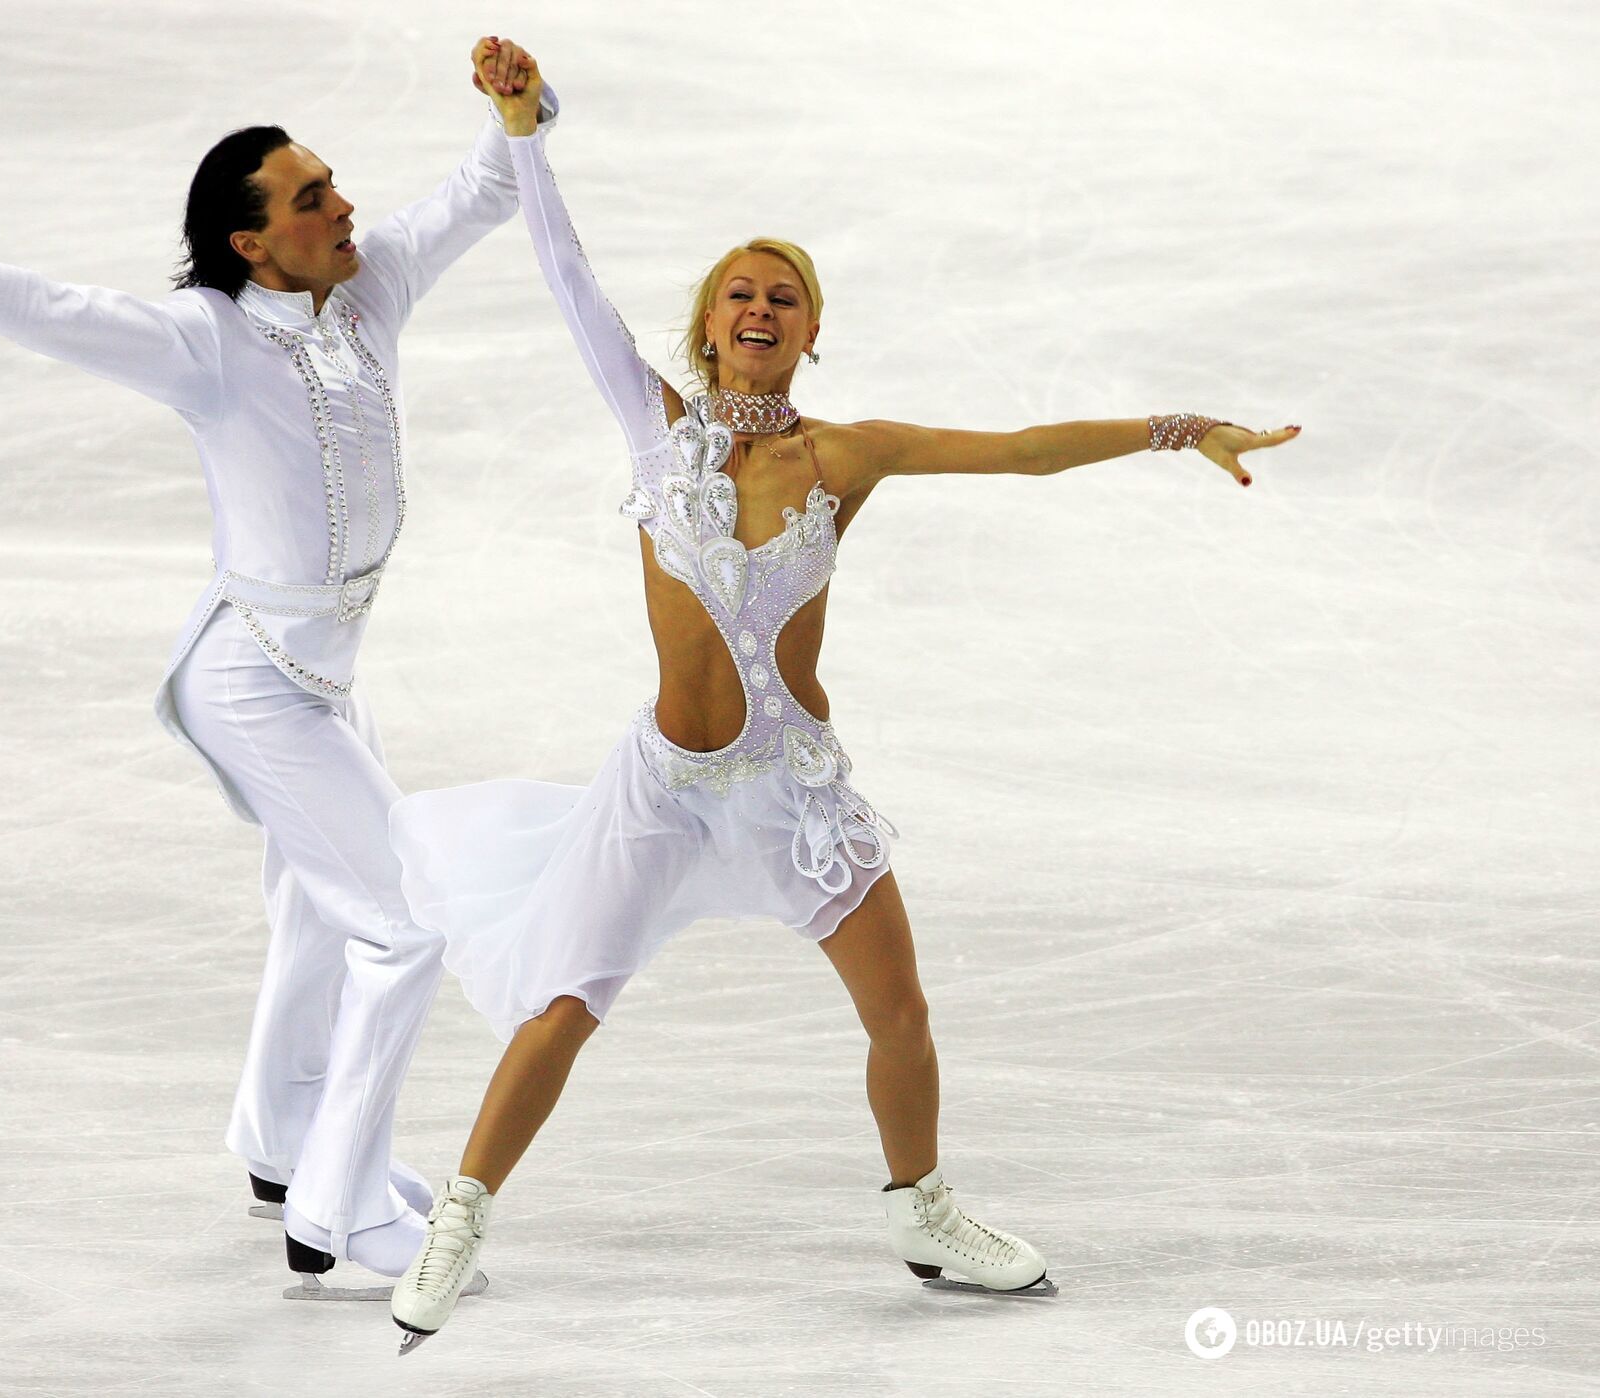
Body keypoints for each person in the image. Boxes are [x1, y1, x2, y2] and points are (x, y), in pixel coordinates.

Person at [385, 54, 1302, 1350]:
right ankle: (460, 1217)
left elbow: (1022, 452)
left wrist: (1176, 426)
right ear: (707, 325)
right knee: (565, 1003)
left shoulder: (845, 455)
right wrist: (520, 129)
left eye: (788, 295)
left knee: (901, 1010)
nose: (763, 305)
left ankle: (922, 1208)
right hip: (662, 790)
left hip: (791, 789)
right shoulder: (654, 430)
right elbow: (565, 272)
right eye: (742, 292)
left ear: (813, 330)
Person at [0, 37, 558, 1298]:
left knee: (319, 903)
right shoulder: (205, 339)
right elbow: (58, 313)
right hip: (248, 677)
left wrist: (516, 112)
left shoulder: (366, 287)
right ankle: (337, 1203)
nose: (343, 207)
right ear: (250, 243)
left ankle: (276, 1133)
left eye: (333, 185)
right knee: (403, 924)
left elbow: (483, 192)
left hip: (319, 669)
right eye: (310, 201)